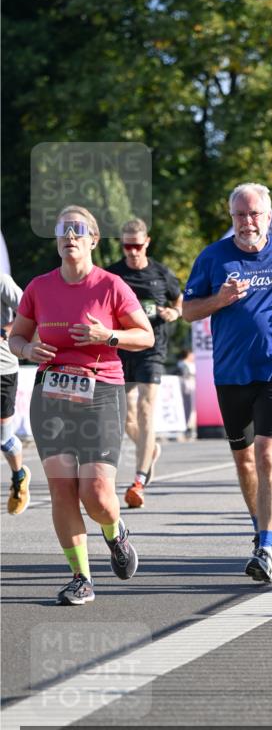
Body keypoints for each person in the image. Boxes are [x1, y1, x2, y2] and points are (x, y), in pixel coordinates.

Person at [8, 206, 154, 605]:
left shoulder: (111, 286)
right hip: (51, 394)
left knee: (97, 493)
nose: (70, 236)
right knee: (61, 490)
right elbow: (16, 337)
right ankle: (81, 577)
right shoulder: (39, 287)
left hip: (101, 392)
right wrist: (27, 349)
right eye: (63, 230)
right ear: (57, 241)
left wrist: (107, 335)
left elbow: (146, 337)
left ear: (93, 240)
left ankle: (115, 532)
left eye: (79, 230)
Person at [182, 182, 272, 584]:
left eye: (255, 213)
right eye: (240, 214)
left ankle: (267, 544)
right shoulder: (212, 257)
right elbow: (188, 310)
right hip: (230, 371)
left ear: (268, 216)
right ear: (232, 218)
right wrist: (220, 299)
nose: (247, 221)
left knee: (266, 455)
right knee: (243, 460)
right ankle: (260, 527)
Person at [106, 218, 182, 508]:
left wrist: (174, 314)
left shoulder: (161, 273)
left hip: (152, 346)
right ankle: (149, 449)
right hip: (122, 347)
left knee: (146, 406)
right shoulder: (113, 274)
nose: (132, 251)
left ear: (147, 242)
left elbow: (179, 301)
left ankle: (139, 479)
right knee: (125, 416)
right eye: (127, 246)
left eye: (137, 245)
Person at [1, 273, 30, 514]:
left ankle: (19, 476)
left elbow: (28, 310)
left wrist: (6, 329)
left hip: (3, 369)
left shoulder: (2, 281)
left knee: (3, 439)